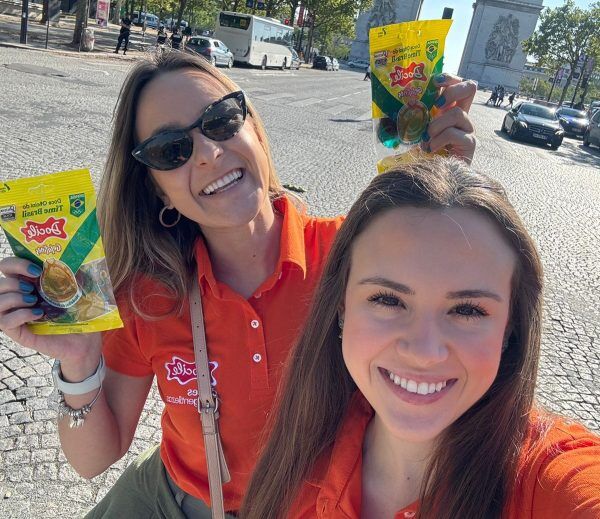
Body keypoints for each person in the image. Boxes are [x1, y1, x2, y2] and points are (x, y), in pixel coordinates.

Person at [0, 52, 476, 517]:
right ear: (155, 188)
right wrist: (80, 362)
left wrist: (444, 183)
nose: (208, 153)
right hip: (175, 497)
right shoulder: (148, 297)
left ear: (255, 129)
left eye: (221, 120)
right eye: (171, 150)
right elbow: (92, 459)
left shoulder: (351, 254)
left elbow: (458, 299)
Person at [242, 157, 600, 519]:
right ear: (341, 306)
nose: (424, 352)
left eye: (468, 310)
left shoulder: (554, 484)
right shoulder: (299, 450)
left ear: (510, 328)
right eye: (387, 300)